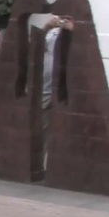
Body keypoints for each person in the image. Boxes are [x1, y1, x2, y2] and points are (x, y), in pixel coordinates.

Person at [41, 14, 74, 164]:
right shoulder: (52, 32)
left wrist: (73, 31)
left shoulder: (78, 33)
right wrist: (47, 27)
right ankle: (39, 160)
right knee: (41, 128)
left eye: (67, 18)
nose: (63, 20)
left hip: (62, 91)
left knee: (60, 129)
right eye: (61, 17)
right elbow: (36, 47)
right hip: (45, 88)